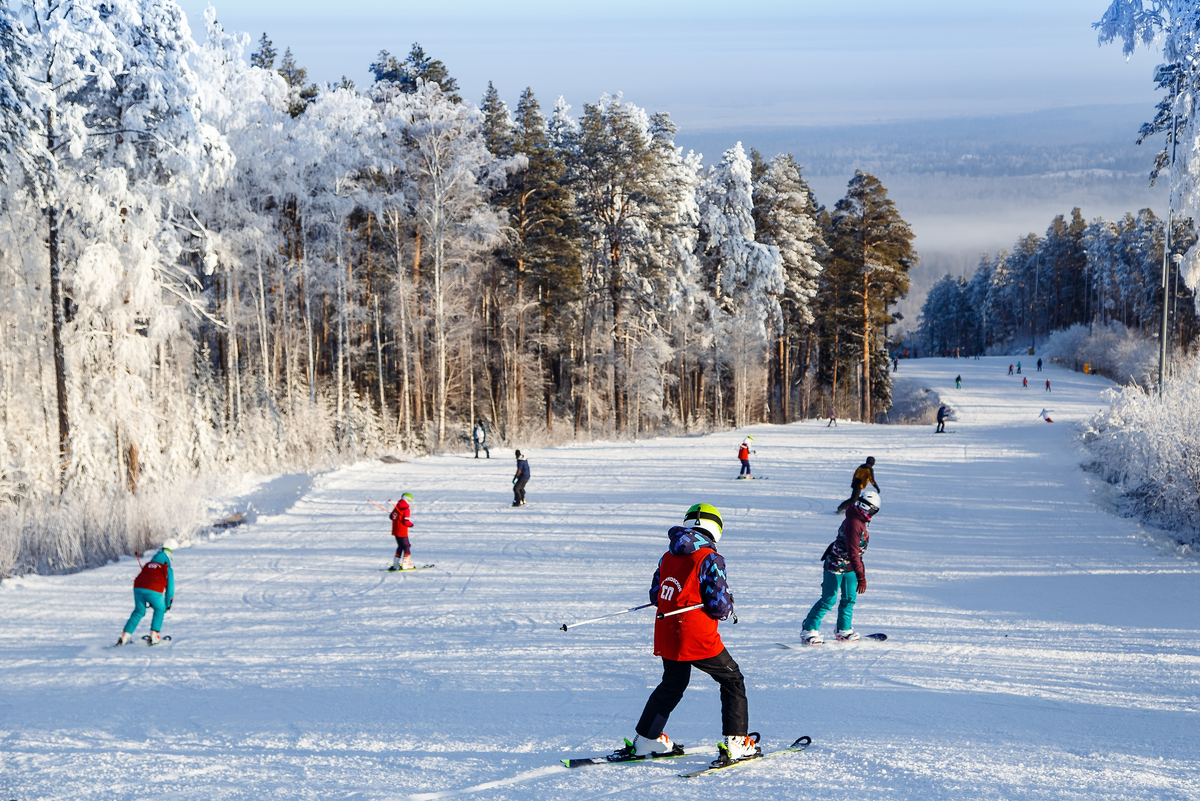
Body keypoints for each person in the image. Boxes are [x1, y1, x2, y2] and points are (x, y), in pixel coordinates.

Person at [628, 503, 758, 764]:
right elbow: (719, 607)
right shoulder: (710, 557)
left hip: (667, 631)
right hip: (696, 635)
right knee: (732, 679)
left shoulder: (667, 556)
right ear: (715, 528)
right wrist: (727, 604)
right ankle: (737, 742)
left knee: (673, 683)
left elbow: (656, 595)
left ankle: (646, 739)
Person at [801, 490, 879, 644]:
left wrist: (859, 572)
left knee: (849, 598)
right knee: (828, 599)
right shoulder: (855, 523)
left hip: (849, 567)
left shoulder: (859, 520)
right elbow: (853, 552)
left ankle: (843, 629)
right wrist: (861, 577)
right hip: (835, 566)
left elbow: (856, 555)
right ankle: (808, 629)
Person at [116, 539, 178, 646]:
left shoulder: (148, 564)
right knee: (160, 608)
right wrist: (168, 605)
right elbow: (170, 589)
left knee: (139, 611)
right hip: (153, 589)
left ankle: (125, 636)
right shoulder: (167, 568)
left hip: (138, 587)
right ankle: (154, 636)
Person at [388, 493, 415, 571]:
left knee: (400, 546)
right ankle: (406, 564)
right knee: (407, 545)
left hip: (395, 530)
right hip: (402, 530)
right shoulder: (406, 508)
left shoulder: (397, 506)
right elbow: (406, 521)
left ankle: (396, 564)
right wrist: (411, 524)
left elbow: (391, 517)